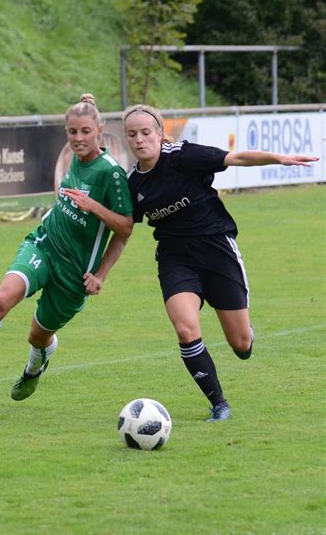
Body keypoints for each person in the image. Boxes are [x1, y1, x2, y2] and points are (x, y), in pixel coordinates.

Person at [123, 103, 320, 422]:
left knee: (241, 345)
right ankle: (218, 403)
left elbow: (236, 157)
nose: (140, 139)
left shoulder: (184, 157)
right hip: (176, 258)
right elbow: (123, 228)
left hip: (217, 250)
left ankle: (246, 335)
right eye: (132, 134)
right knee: (186, 328)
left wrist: (280, 159)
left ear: (160, 134)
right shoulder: (133, 184)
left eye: (146, 132)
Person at [0, 94, 133, 400]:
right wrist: (86, 104)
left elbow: (125, 227)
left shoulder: (111, 174)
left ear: (100, 129)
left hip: (75, 273)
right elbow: (85, 120)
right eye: (72, 132)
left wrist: (100, 271)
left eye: (86, 131)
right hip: (43, 244)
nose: (78, 138)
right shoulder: (78, 153)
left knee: (38, 337)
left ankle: (34, 369)